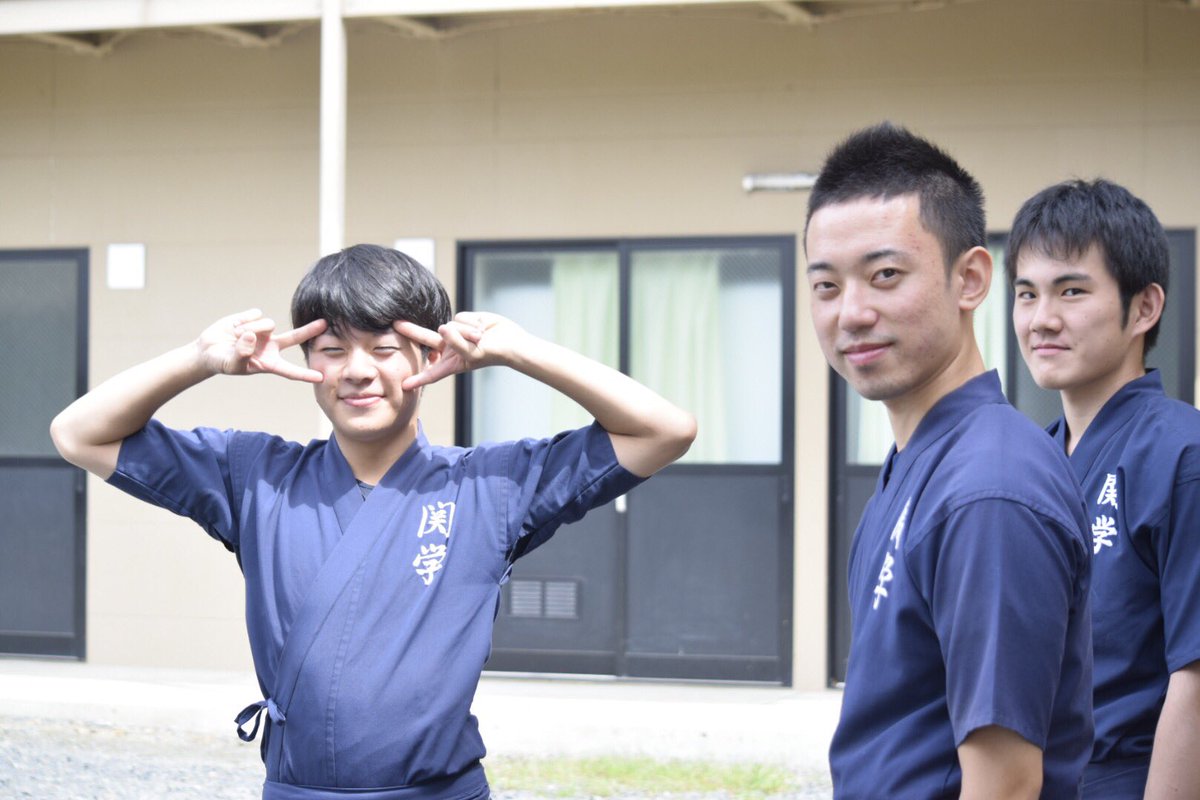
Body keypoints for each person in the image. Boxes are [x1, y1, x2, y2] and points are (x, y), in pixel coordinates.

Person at [49, 243, 696, 800]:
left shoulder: (490, 486)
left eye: (386, 347)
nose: (358, 370)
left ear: (429, 357)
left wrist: (519, 351)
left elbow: (665, 430)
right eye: (332, 349)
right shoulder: (254, 474)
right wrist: (198, 359)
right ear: (308, 363)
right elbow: (78, 434)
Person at [805, 123, 1093, 799]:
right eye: (825, 286)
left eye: (884, 276)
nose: (851, 314)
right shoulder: (920, 461)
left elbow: (1007, 786)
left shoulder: (989, 489)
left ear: (970, 278)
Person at [1008, 179, 1200, 798]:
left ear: (1143, 308)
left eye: (1071, 291)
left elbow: (1195, 679)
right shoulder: (1031, 459)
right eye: (1027, 294)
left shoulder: (1181, 452)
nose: (1042, 319)